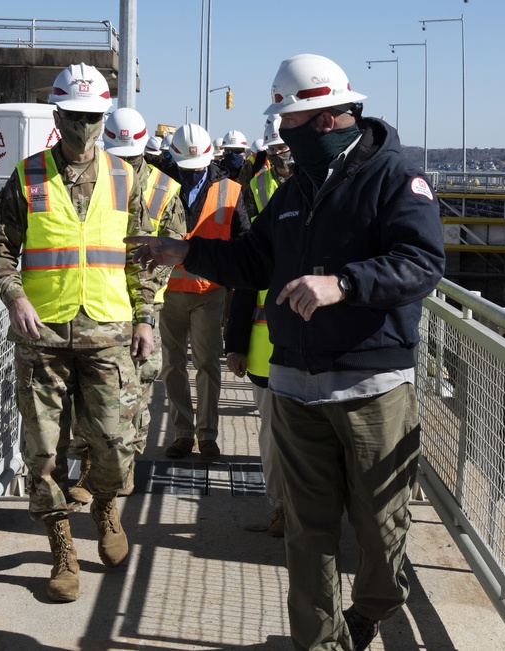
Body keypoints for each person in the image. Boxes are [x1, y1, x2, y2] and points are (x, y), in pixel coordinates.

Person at [127, 53, 445, 651]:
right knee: (307, 533)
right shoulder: (296, 187)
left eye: (289, 121)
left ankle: (376, 601)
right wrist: (184, 252)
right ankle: (320, 643)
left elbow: (422, 263)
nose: (281, 134)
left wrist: (344, 283)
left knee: (380, 531)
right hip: (296, 388)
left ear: (326, 119)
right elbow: (252, 259)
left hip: (371, 388)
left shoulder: (395, 179)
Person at [0, 63, 157, 603]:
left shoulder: (128, 180)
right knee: (44, 450)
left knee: (115, 443)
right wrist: (14, 297)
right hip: (44, 338)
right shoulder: (27, 175)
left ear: (104, 119)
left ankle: (105, 506)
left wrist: (146, 317)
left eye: (94, 119)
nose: (85, 129)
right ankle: (62, 551)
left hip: (108, 332)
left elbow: (143, 258)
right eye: (76, 118)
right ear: (59, 116)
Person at [66, 108, 185, 506]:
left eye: (132, 157)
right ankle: (89, 471)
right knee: (91, 398)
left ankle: (125, 468)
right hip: (99, 312)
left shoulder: (165, 190)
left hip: (141, 313)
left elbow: (168, 254)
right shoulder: (94, 179)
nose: (126, 163)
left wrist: (144, 312)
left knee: (134, 399)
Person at [161, 123, 247, 461]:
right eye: (186, 168)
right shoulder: (164, 185)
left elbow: (243, 240)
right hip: (169, 291)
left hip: (210, 291)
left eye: (197, 169)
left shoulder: (230, 190)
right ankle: (183, 434)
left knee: (208, 364)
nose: (192, 174)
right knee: (172, 365)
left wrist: (233, 279)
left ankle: (207, 435)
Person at [224, 114, 292, 537]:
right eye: (278, 151)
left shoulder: (339, 187)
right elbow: (247, 272)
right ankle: (281, 507)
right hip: (268, 346)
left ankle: (312, 510)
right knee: (272, 436)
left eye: (288, 149)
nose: (284, 158)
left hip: (323, 347)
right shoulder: (256, 191)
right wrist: (236, 342)